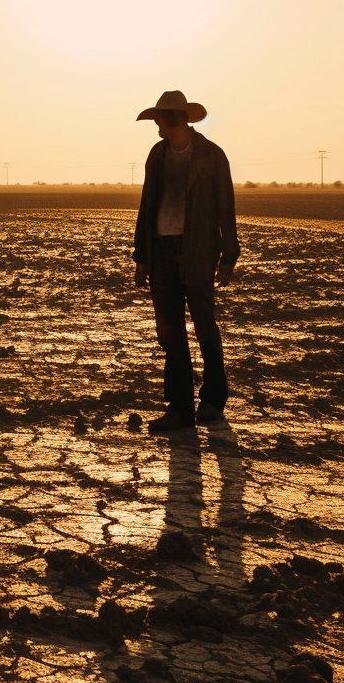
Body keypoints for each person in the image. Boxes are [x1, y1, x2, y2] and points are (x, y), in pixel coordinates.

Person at [131, 91, 239, 432]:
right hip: (161, 251)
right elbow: (147, 205)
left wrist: (228, 256)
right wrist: (142, 257)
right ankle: (179, 408)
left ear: (175, 119)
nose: (157, 126)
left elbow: (225, 206)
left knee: (205, 327)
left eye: (160, 120)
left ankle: (212, 400)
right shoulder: (157, 154)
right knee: (170, 333)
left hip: (199, 251)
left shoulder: (211, 155)